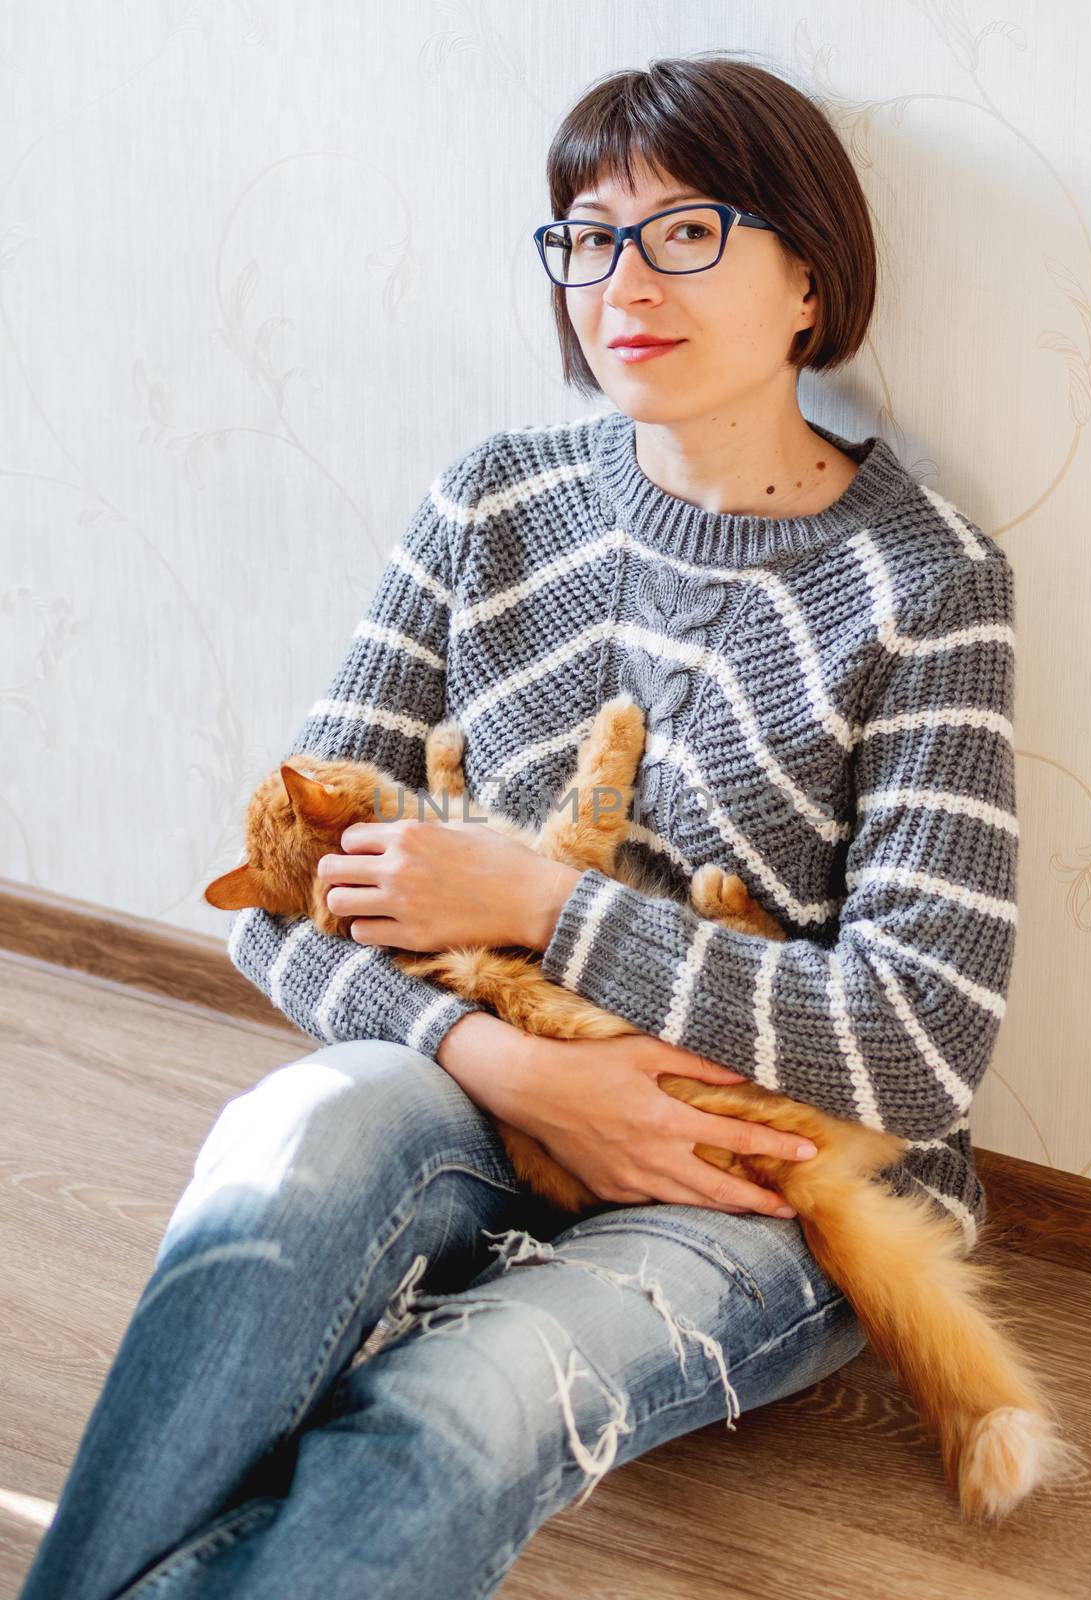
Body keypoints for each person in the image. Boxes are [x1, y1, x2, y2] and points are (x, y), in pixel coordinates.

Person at [20, 51, 1019, 1600]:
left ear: (810, 276)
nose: (624, 277)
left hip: (771, 1176)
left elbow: (921, 1043)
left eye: (687, 229)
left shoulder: (927, 583)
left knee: (449, 1415)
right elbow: (270, 893)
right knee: (280, 1156)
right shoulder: (490, 500)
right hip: (475, 1095)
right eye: (587, 234)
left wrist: (540, 906)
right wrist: (523, 1070)